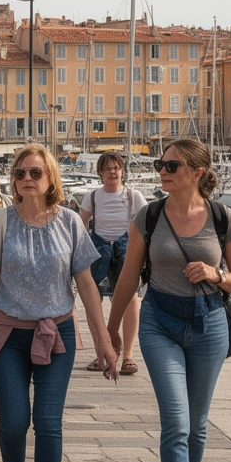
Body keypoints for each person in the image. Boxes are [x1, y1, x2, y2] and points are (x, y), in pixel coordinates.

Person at [105, 139, 231, 462]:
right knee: (176, 420)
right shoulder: (148, 216)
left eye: (172, 164)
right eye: (160, 163)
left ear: (197, 172)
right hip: (158, 323)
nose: (162, 169)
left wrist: (215, 273)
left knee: (198, 423)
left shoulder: (222, 218)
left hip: (209, 324)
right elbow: (129, 278)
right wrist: (112, 331)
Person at [0, 144, 114, 462]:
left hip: (57, 333)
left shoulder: (69, 222)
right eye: (20, 173)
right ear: (12, 181)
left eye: (35, 173)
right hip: (7, 334)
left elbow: (86, 285)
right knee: (14, 422)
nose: (27, 179)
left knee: (48, 422)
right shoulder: (0, 222)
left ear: (50, 179)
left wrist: (104, 342)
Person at [78, 153, 148, 376]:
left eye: (116, 168)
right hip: (98, 250)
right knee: (92, 301)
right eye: (107, 168)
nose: (112, 172)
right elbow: (81, 224)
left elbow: (146, 223)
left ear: (122, 171)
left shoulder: (133, 196)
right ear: (100, 172)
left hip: (126, 250)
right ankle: (101, 355)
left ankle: (128, 356)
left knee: (131, 301)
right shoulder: (92, 197)